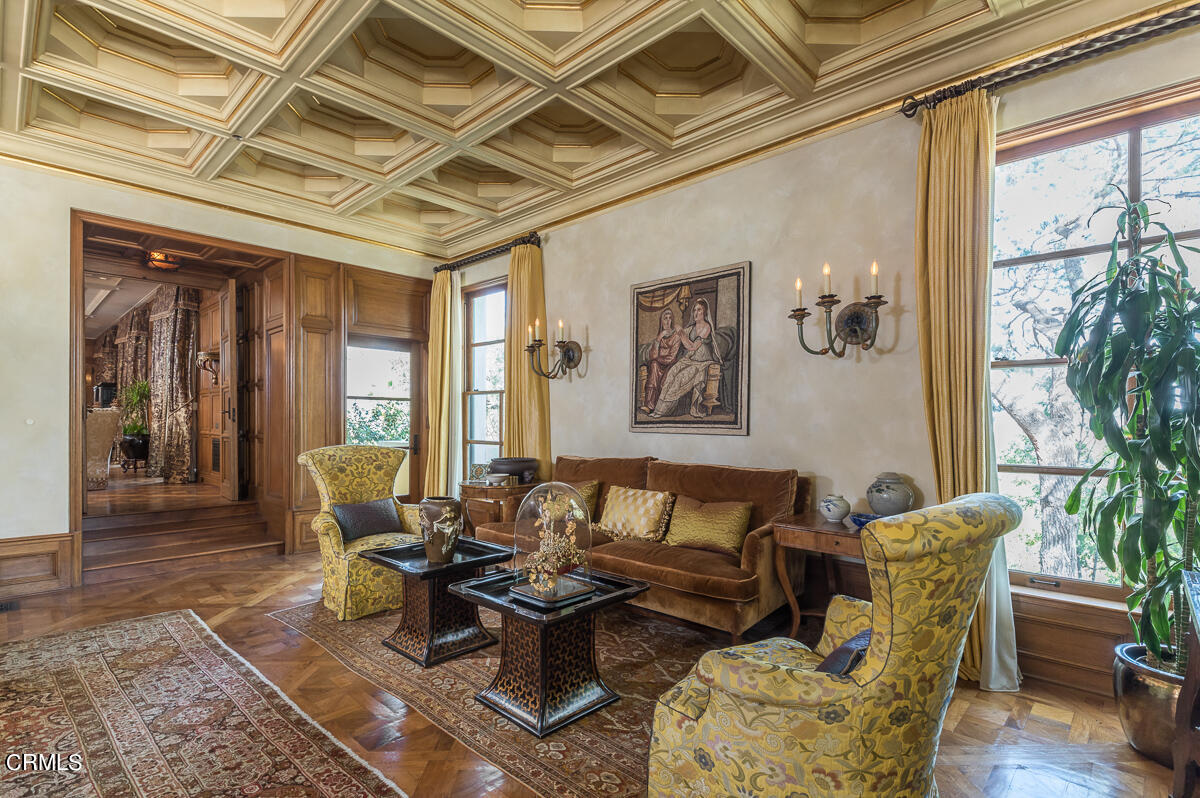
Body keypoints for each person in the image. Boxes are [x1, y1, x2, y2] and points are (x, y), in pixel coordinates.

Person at [651, 298, 719, 418]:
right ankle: (657, 410)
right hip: (689, 359)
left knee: (680, 378)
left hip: (701, 362)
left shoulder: (706, 327)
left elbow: (692, 346)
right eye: (694, 310)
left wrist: (681, 334)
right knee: (672, 373)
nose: (696, 313)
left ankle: (663, 412)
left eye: (699, 310)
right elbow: (675, 337)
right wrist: (667, 333)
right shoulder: (691, 328)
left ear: (705, 312)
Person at [641, 308, 682, 413]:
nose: (668, 321)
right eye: (665, 318)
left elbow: (671, 357)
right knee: (654, 365)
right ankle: (649, 405)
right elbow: (652, 355)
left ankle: (660, 408)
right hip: (658, 364)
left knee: (657, 367)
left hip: (670, 365)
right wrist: (658, 339)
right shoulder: (660, 336)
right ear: (661, 321)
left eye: (670, 318)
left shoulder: (676, 336)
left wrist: (657, 359)